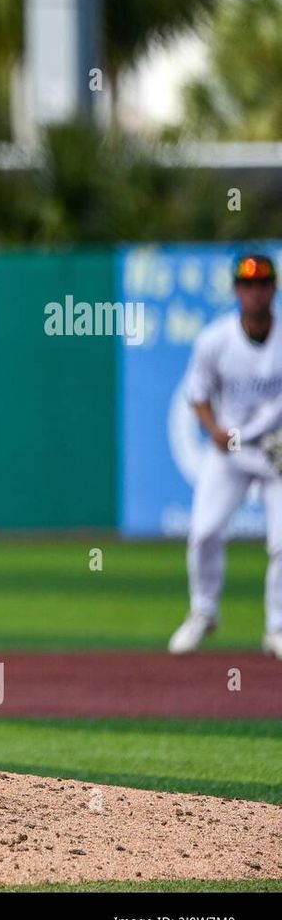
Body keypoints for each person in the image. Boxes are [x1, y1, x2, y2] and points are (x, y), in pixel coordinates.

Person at [169, 253, 282, 659]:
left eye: (263, 283)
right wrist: (214, 430)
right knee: (203, 532)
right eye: (247, 284)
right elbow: (197, 393)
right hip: (232, 451)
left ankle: (277, 627)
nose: (255, 292)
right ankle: (203, 611)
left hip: (277, 453)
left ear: (273, 288)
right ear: (237, 290)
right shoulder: (215, 339)